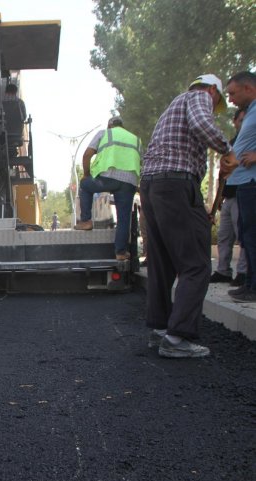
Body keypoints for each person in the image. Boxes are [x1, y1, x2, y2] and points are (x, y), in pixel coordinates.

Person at [141, 74, 236, 358]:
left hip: (152, 184)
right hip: (176, 184)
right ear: (211, 90)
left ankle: (159, 329)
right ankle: (178, 337)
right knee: (196, 264)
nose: (215, 104)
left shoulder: (172, 107)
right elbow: (202, 125)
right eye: (218, 99)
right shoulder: (198, 97)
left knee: (163, 262)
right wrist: (227, 150)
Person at [74, 116, 141, 261]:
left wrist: (86, 174)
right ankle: (120, 253)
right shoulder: (135, 139)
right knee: (124, 218)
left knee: (85, 186)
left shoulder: (104, 133)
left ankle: (86, 221)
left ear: (110, 125)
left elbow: (87, 155)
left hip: (108, 178)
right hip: (129, 181)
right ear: (122, 126)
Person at [224, 71, 256, 303]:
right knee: (246, 237)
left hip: (252, 183)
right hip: (242, 183)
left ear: (248, 88)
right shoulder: (250, 113)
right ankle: (249, 283)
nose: (230, 99)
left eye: (233, 93)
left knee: (253, 236)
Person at [210, 108, 247, 286]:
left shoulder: (250, 142)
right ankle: (223, 270)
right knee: (225, 236)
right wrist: (218, 198)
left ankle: (244, 272)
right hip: (228, 195)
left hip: (243, 193)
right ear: (235, 121)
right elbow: (223, 172)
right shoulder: (232, 143)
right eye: (240, 120)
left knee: (243, 235)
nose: (243, 123)